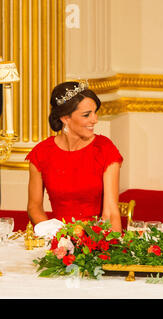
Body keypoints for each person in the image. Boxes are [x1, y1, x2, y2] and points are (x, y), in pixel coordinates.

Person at [26, 81, 123, 235]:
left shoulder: (104, 149)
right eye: (87, 115)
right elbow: (34, 207)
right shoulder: (41, 153)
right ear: (65, 118)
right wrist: (57, 236)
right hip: (57, 240)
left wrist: (108, 246)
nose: (95, 120)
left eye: (95, 112)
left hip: (96, 240)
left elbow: (110, 212)